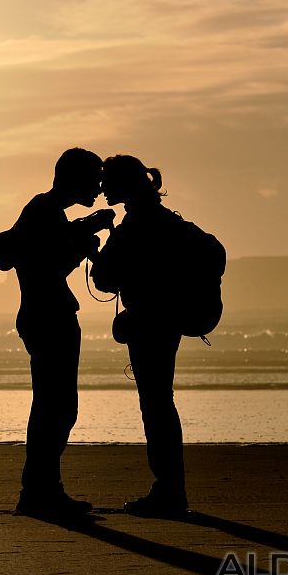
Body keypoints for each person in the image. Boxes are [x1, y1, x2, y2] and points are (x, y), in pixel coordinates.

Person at [3, 148, 111, 521]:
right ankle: (40, 491)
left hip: (43, 315)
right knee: (57, 408)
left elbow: (42, 253)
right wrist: (82, 244)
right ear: (73, 179)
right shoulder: (45, 211)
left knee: (54, 407)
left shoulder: (46, 211)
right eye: (94, 178)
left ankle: (41, 490)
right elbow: (47, 267)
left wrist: (82, 230)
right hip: (49, 317)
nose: (99, 186)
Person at [91, 154, 189, 517]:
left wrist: (97, 252)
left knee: (156, 405)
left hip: (150, 323)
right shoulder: (162, 219)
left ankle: (169, 492)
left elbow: (105, 278)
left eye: (108, 182)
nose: (102, 188)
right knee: (160, 402)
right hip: (166, 321)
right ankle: (170, 489)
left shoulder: (137, 224)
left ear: (125, 184)